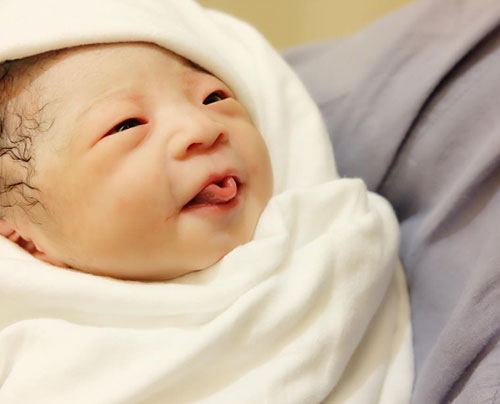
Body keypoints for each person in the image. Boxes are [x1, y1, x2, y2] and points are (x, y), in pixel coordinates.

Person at [0, 0, 413, 403]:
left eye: (213, 97)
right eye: (127, 125)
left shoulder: (335, 256)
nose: (202, 127)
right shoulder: (41, 365)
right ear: (22, 234)